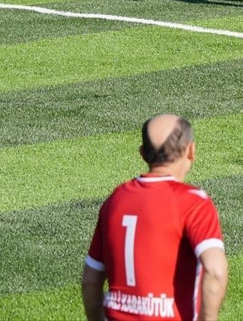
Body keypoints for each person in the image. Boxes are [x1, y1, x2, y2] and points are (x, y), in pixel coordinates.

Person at [82, 115, 229, 321]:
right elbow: (215, 270)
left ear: (143, 154)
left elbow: (91, 280)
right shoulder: (193, 202)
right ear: (191, 150)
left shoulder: (115, 200)